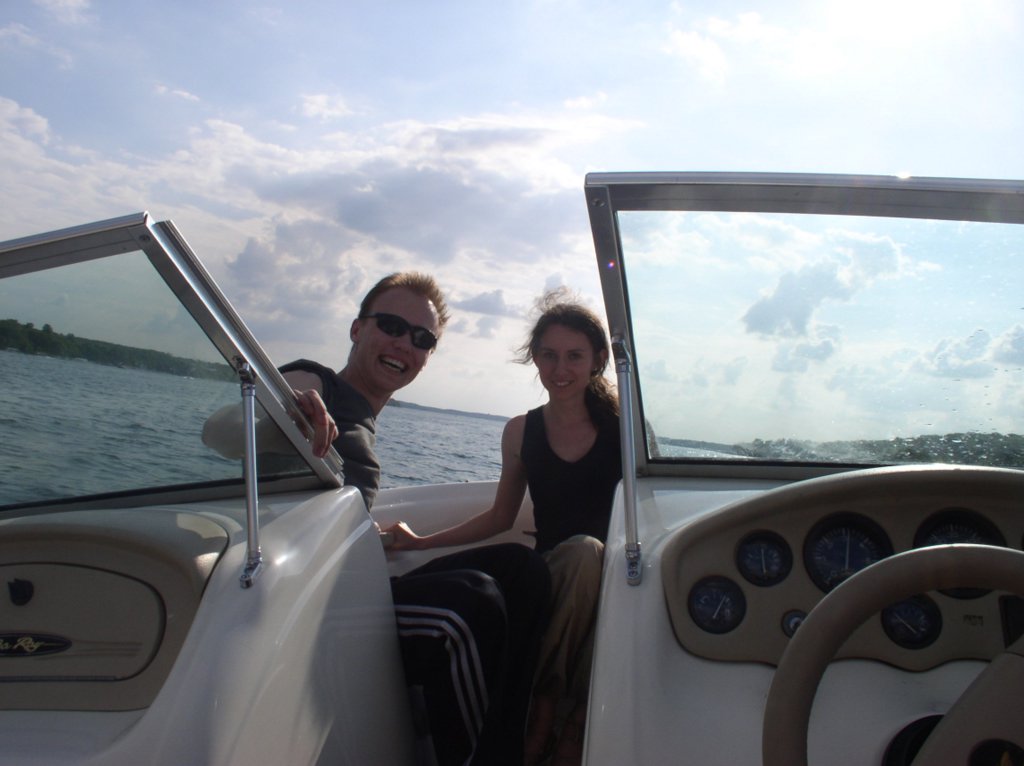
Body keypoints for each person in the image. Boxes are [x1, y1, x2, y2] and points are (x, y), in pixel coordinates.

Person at [203, 272, 550, 766]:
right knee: (466, 604)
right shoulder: (316, 383)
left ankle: (520, 738)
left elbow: (331, 516)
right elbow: (222, 429)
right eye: (391, 325)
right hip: (309, 604)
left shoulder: (365, 422)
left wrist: (379, 536)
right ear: (356, 329)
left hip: (350, 584)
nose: (404, 343)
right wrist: (287, 414)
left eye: (422, 338)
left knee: (523, 568)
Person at [383, 288, 622, 766]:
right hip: (554, 575)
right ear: (534, 357)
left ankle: (572, 721)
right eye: (548, 355)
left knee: (603, 569)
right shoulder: (520, 432)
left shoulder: (625, 430)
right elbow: (500, 518)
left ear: (598, 360)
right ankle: (547, 706)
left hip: (616, 578)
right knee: (583, 554)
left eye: (574, 356)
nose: (559, 369)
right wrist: (420, 542)